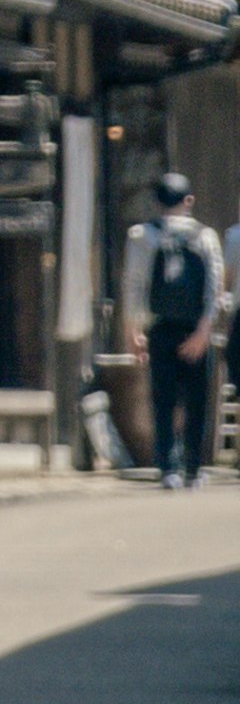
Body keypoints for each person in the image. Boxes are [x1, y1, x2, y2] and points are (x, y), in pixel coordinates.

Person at [142, 167, 227, 486]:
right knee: (197, 400)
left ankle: (169, 468)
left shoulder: (143, 234)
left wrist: (134, 330)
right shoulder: (206, 236)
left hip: (160, 327)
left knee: (163, 399)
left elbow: (134, 284)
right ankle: (195, 467)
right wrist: (204, 331)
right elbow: (214, 288)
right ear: (189, 200)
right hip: (196, 328)